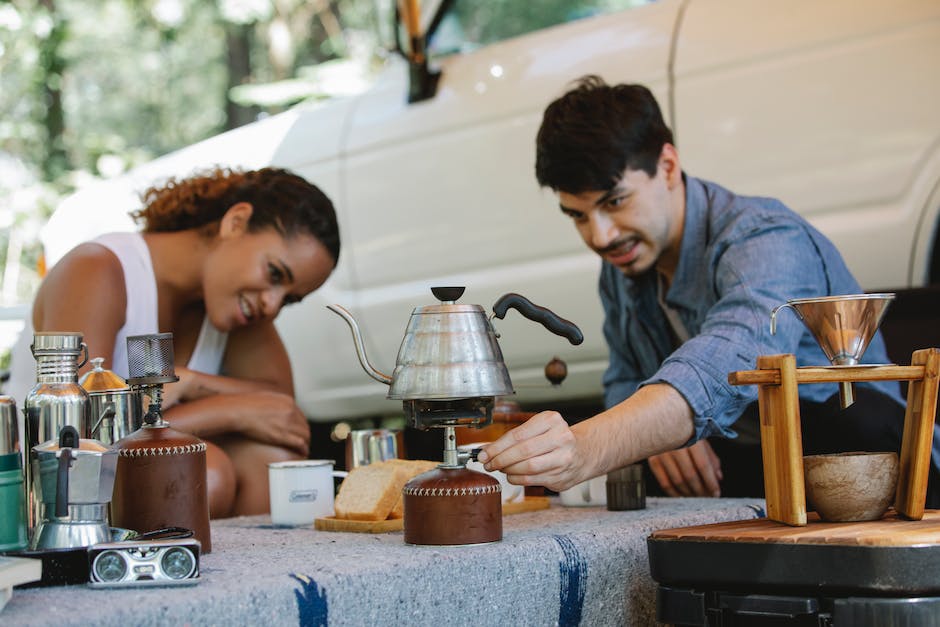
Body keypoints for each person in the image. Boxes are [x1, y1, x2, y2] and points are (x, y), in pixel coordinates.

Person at [479, 75, 940, 506]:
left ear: (667, 165)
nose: (599, 236)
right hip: (746, 460)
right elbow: (623, 377)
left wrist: (587, 447)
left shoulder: (765, 239)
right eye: (577, 216)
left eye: (614, 202)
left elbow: (726, 365)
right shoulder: (623, 262)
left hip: (860, 456)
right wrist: (654, 440)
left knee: (855, 420)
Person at [7, 167, 341, 518]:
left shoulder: (237, 305)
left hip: (122, 477)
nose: (272, 305)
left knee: (273, 460)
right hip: (49, 495)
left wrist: (195, 385)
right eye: (274, 273)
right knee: (200, 471)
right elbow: (81, 430)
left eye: (289, 299)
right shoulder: (100, 269)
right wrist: (233, 409)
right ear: (236, 222)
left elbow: (279, 413)